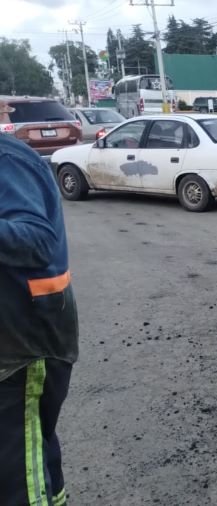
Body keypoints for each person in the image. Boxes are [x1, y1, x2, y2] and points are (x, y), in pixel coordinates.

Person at [0, 115, 79, 506]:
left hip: (26, 340)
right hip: (14, 336)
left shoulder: (7, 160)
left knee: (17, 470)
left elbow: (38, 240)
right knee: (31, 446)